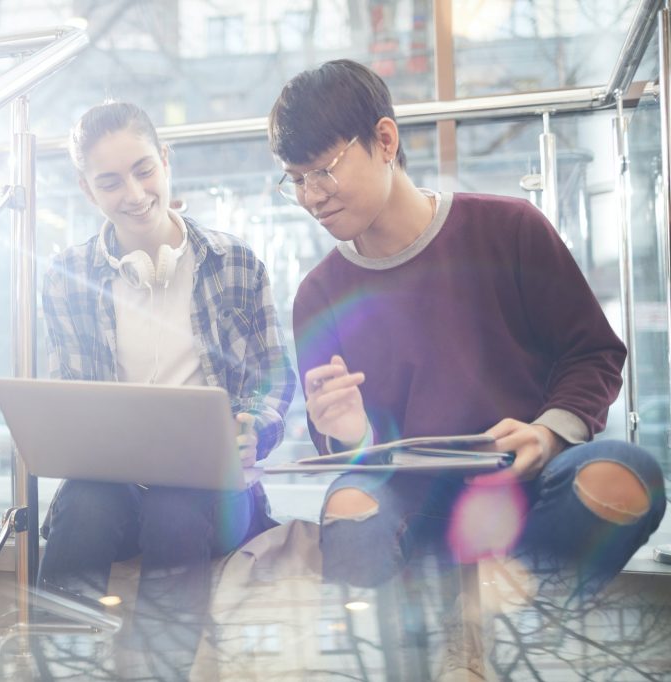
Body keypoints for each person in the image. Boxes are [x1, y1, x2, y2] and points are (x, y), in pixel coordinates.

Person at [268, 60, 666, 677]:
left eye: (323, 170)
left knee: (628, 476)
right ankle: (446, 643)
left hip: (524, 481)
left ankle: (501, 624)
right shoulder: (318, 295)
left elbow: (592, 352)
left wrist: (546, 432)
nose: (310, 195)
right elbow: (348, 453)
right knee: (348, 509)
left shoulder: (509, 228)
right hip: (407, 496)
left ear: (385, 140)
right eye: (294, 179)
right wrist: (348, 435)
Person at [37, 101, 296, 678]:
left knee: (176, 509)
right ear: (87, 188)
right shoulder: (67, 279)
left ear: (166, 160)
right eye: (109, 181)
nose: (132, 193)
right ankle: (57, 670)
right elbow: (74, 395)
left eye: (144, 169)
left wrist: (253, 426)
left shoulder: (234, 262)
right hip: (118, 485)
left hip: (210, 487)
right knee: (80, 506)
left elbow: (274, 379)